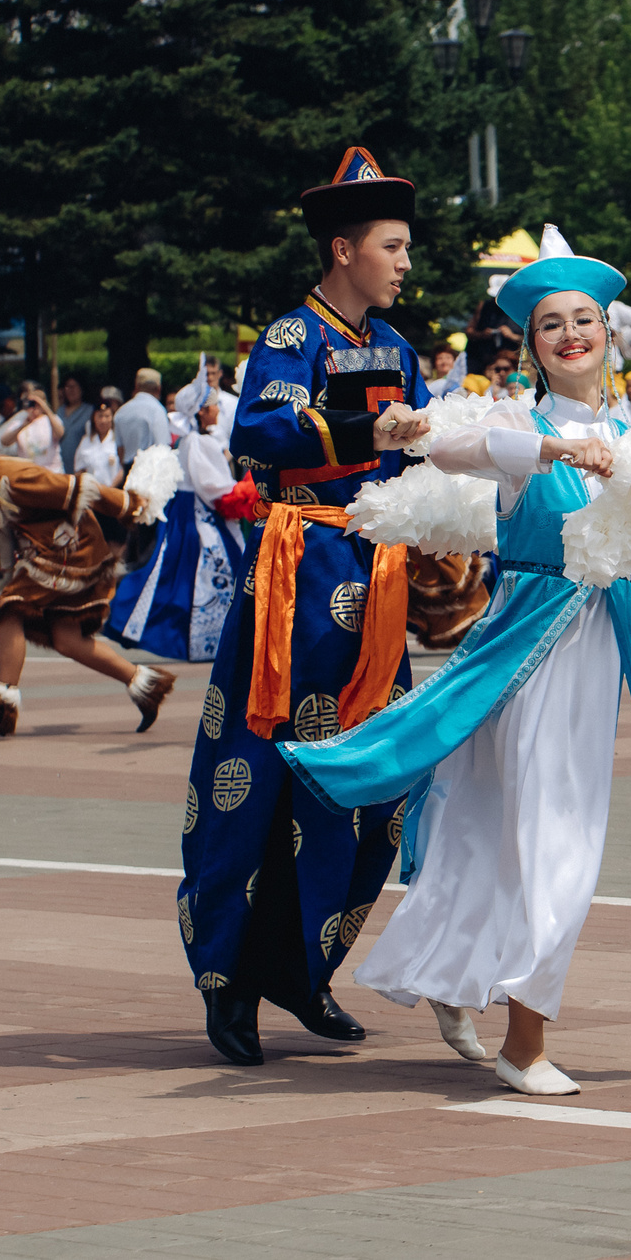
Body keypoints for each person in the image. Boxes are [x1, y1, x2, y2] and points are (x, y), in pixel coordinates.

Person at [280, 227, 631, 1096]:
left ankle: (450, 978)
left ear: (610, 334)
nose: (569, 335)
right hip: (520, 660)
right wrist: (557, 449)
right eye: (550, 323)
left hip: (598, 651)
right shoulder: (518, 421)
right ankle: (526, 1042)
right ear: (532, 344)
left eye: (584, 319)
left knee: (498, 838)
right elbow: (447, 447)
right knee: (552, 842)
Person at [181, 146, 431, 1067]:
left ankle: (306, 967)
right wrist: (372, 429)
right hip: (295, 583)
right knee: (257, 773)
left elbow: (427, 447)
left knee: (369, 781)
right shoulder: (293, 338)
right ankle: (232, 982)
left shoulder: (401, 349)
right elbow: (261, 433)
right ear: (342, 249)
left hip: (372, 589)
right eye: (393, 246)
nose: (406, 263)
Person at [0, 445, 177, 736]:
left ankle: (1, 704)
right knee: (66, 639)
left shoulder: (13, 476)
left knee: (11, 606)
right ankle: (146, 685)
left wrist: (127, 503)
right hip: (52, 554)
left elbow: (78, 486)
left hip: (75, 551)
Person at [111, 374, 263, 662]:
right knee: (210, 575)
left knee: (180, 577)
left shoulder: (193, 440)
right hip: (200, 517)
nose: (218, 410)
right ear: (202, 412)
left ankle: (215, 638)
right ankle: (219, 640)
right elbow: (213, 487)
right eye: (214, 406)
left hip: (189, 513)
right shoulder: (197, 442)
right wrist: (247, 488)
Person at [115, 368, 169, 469]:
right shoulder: (157, 410)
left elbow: (119, 449)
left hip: (128, 469)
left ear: (136, 386)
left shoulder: (121, 411)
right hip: (150, 469)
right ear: (159, 388)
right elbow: (162, 447)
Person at [74, 399, 122, 487]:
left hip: (113, 491)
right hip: (92, 491)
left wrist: (111, 488)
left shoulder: (117, 440)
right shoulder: (86, 442)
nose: (103, 421)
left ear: (112, 418)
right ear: (94, 418)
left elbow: (122, 469)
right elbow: (79, 469)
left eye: (107, 416)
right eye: (100, 416)